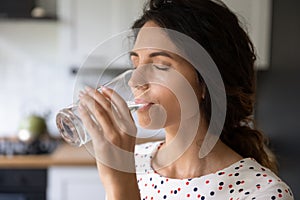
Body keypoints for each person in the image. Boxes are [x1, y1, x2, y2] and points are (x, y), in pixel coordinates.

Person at [78, 0, 294, 199]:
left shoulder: (262, 192)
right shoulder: (134, 161)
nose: (135, 81)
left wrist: (121, 188)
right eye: (135, 66)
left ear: (206, 84)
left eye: (160, 65)